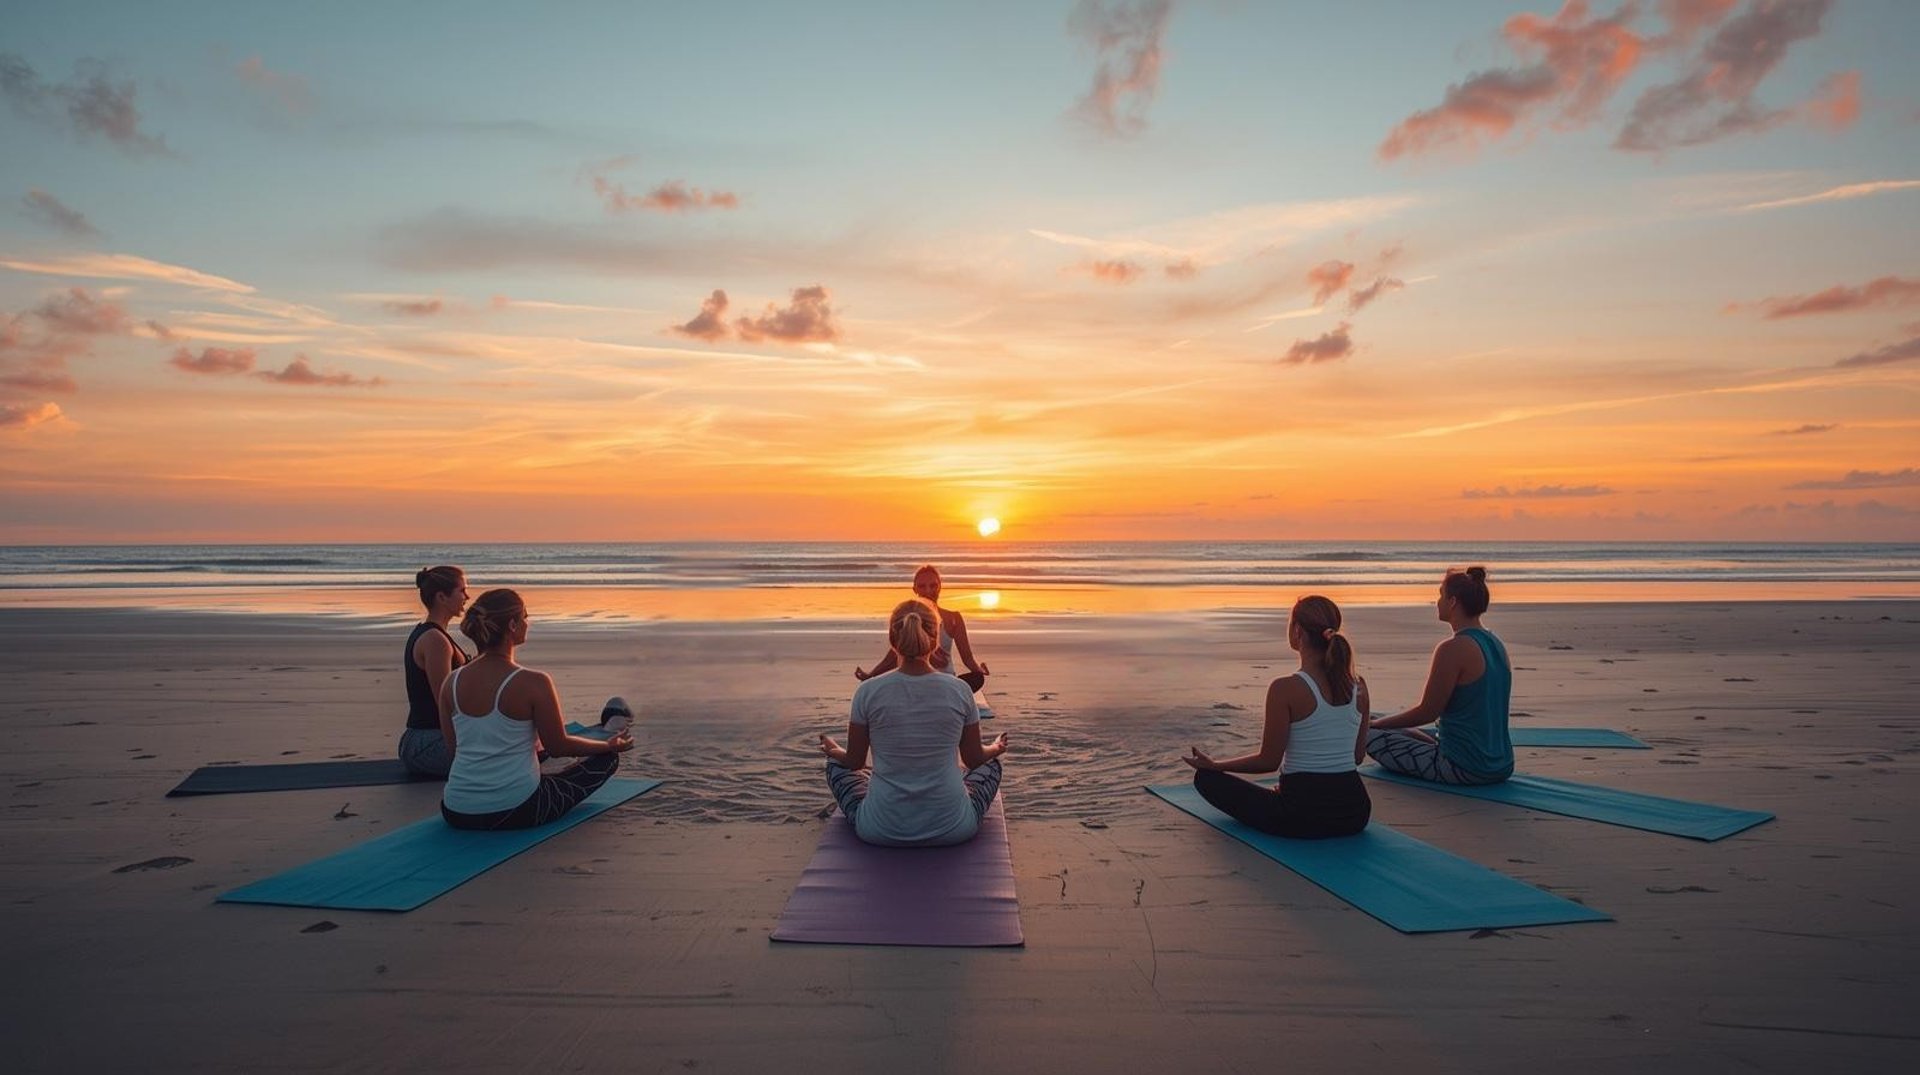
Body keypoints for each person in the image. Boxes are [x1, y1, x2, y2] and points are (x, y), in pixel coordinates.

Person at [438, 589, 635, 830]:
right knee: (607, 761)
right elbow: (559, 746)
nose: (527, 623)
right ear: (512, 625)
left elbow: (454, 749)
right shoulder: (534, 682)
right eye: (525, 617)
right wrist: (608, 746)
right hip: (517, 810)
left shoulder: (451, 682)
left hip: (456, 810)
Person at [819, 596, 1009, 847]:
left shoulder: (867, 692)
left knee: (837, 765)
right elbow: (974, 759)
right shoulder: (961, 690)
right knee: (991, 765)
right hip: (953, 828)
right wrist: (996, 747)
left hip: (879, 829)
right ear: (934, 641)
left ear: (892, 639)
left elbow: (854, 761)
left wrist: (834, 750)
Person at [1181, 595, 1372, 838]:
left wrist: (1216, 766)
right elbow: (1356, 757)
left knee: (1206, 779)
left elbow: (1268, 762)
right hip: (1355, 814)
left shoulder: (1285, 688)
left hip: (1301, 816)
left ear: (1298, 632)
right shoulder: (1359, 686)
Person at [1365, 565, 1513, 785]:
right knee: (1375, 717)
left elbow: (1427, 712)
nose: (1437, 601)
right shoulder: (1494, 642)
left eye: (1441, 595)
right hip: (1502, 764)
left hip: (1462, 767)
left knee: (1365, 733)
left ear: (1453, 602)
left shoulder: (1452, 648)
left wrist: (1373, 727)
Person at [855, 565, 989, 693]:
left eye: (933, 585)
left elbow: (968, 658)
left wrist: (978, 670)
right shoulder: (909, 618)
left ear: (940, 586)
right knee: (877, 685)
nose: (928, 591)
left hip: (945, 683)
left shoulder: (953, 618)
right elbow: (893, 657)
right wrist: (871, 676)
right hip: (914, 681)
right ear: (915, 589)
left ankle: (945, 692)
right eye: (922, 586)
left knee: (977, 678)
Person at [397, 565, 470, 777]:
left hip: (431, 739)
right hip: (427, 744)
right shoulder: (434, 640)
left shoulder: (437, 636)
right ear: (442, 597)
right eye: (462, 590)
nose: (467, 596)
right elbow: (445, 704)